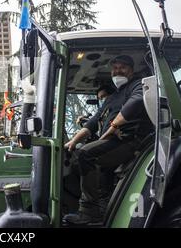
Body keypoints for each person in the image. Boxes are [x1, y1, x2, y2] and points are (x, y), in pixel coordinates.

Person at [63, 55, 153, 225]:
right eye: (115, 68)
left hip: (130, 141)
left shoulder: (137, 85)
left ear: (131, 70)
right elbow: (93, 121)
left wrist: (112, 127)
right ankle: (103, 206)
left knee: (86, 154)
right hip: (115, 142)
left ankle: (89, 211)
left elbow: (137, 102)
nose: (117, 71)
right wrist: (73, 141)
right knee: (79, 153)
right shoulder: (113, 97)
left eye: (122, 67)